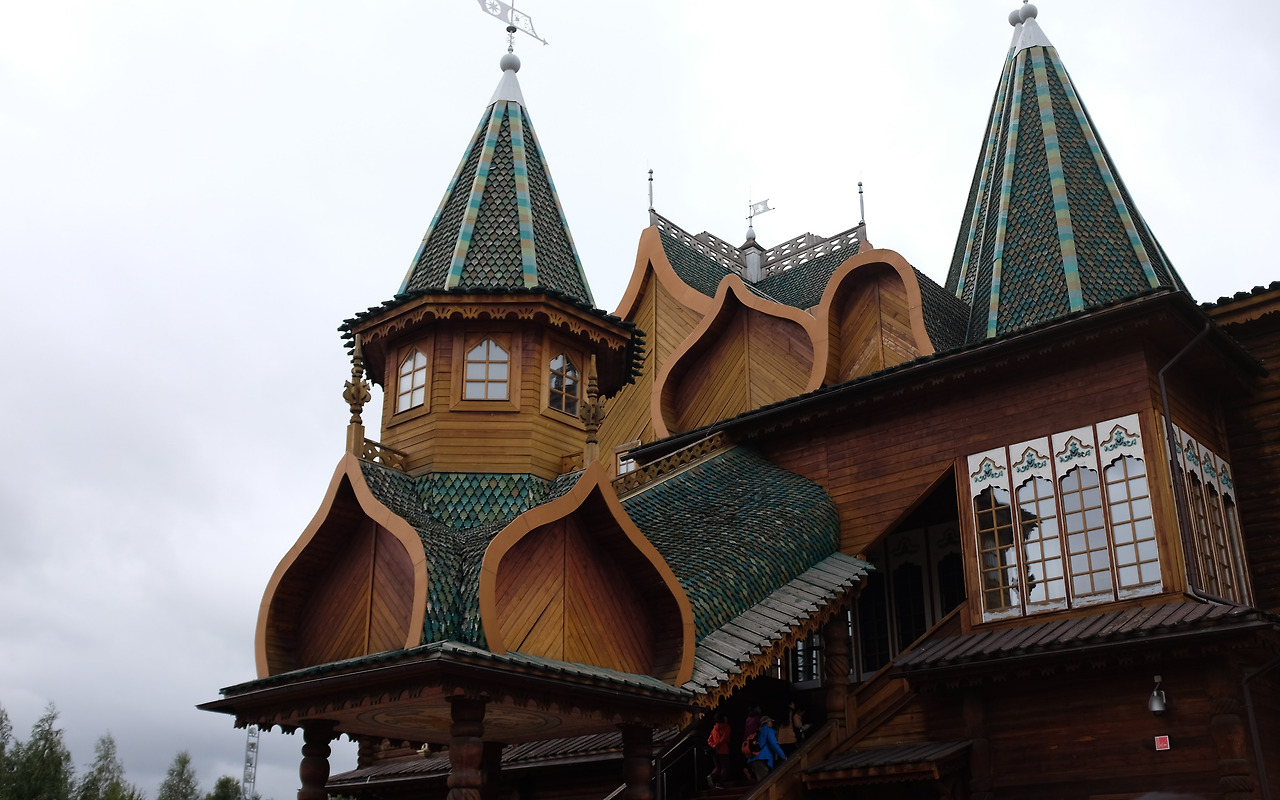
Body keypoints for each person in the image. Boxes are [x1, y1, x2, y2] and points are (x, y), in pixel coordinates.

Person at [747, 715, 787, 782]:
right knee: (765, 783)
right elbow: (774, 744)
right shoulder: (768, 730)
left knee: (761, 781)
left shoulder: (757, 731)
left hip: (753, 759)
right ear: (767, 722)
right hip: (762, 759)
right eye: (771, 722)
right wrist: (784, 757)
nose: (771, 723)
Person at [705, 713, 731, 789]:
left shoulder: (714, 729)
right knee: (725, 767)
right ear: (723, 718)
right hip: (723, 750)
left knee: (718, 767)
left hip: (715, 751)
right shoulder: (726, 727)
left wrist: (713, 745)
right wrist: (717, 744)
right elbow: (724, 738)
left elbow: (709, 740)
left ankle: (711, 776)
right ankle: (720, 783)